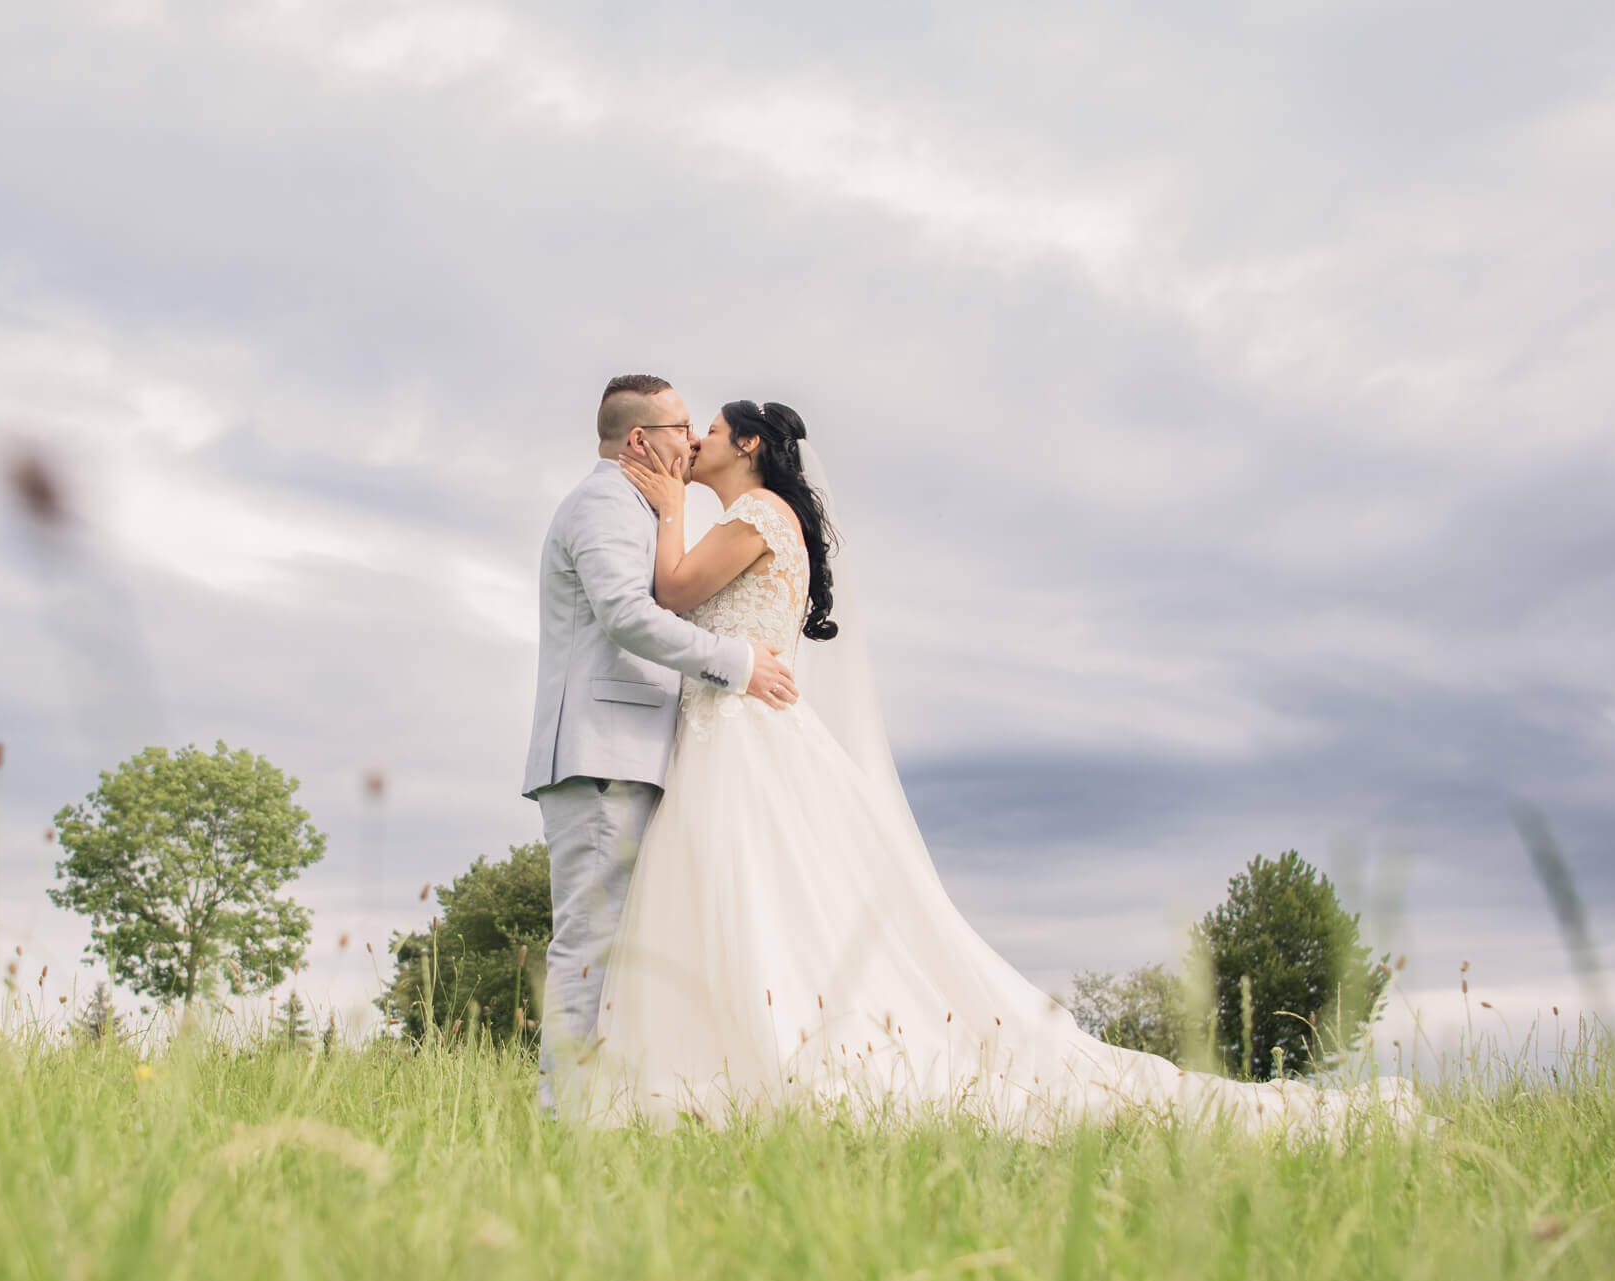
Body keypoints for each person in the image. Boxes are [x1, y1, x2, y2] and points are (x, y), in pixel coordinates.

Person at [579, 399, 1419, 1139]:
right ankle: (721, 1069)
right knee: (760, 900)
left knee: (751, 896)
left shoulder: (756, 514)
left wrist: (661, 509)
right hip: (744, 730)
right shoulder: (767, 517)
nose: (693, 445)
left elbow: (676, 592)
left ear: (751, 445)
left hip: (743, 737)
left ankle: (750, 1067)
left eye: (711, 433)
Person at [522, 375, 798, 1115]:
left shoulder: (645, 508)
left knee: (637, 953)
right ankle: (562, 1119)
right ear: (641, 439)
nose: (694, 440)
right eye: (681, 426)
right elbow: (625, 615)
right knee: (591, 947)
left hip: (639, 755)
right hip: (600, 758)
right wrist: (736, 661)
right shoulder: (604, 503)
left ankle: (614, 1109)